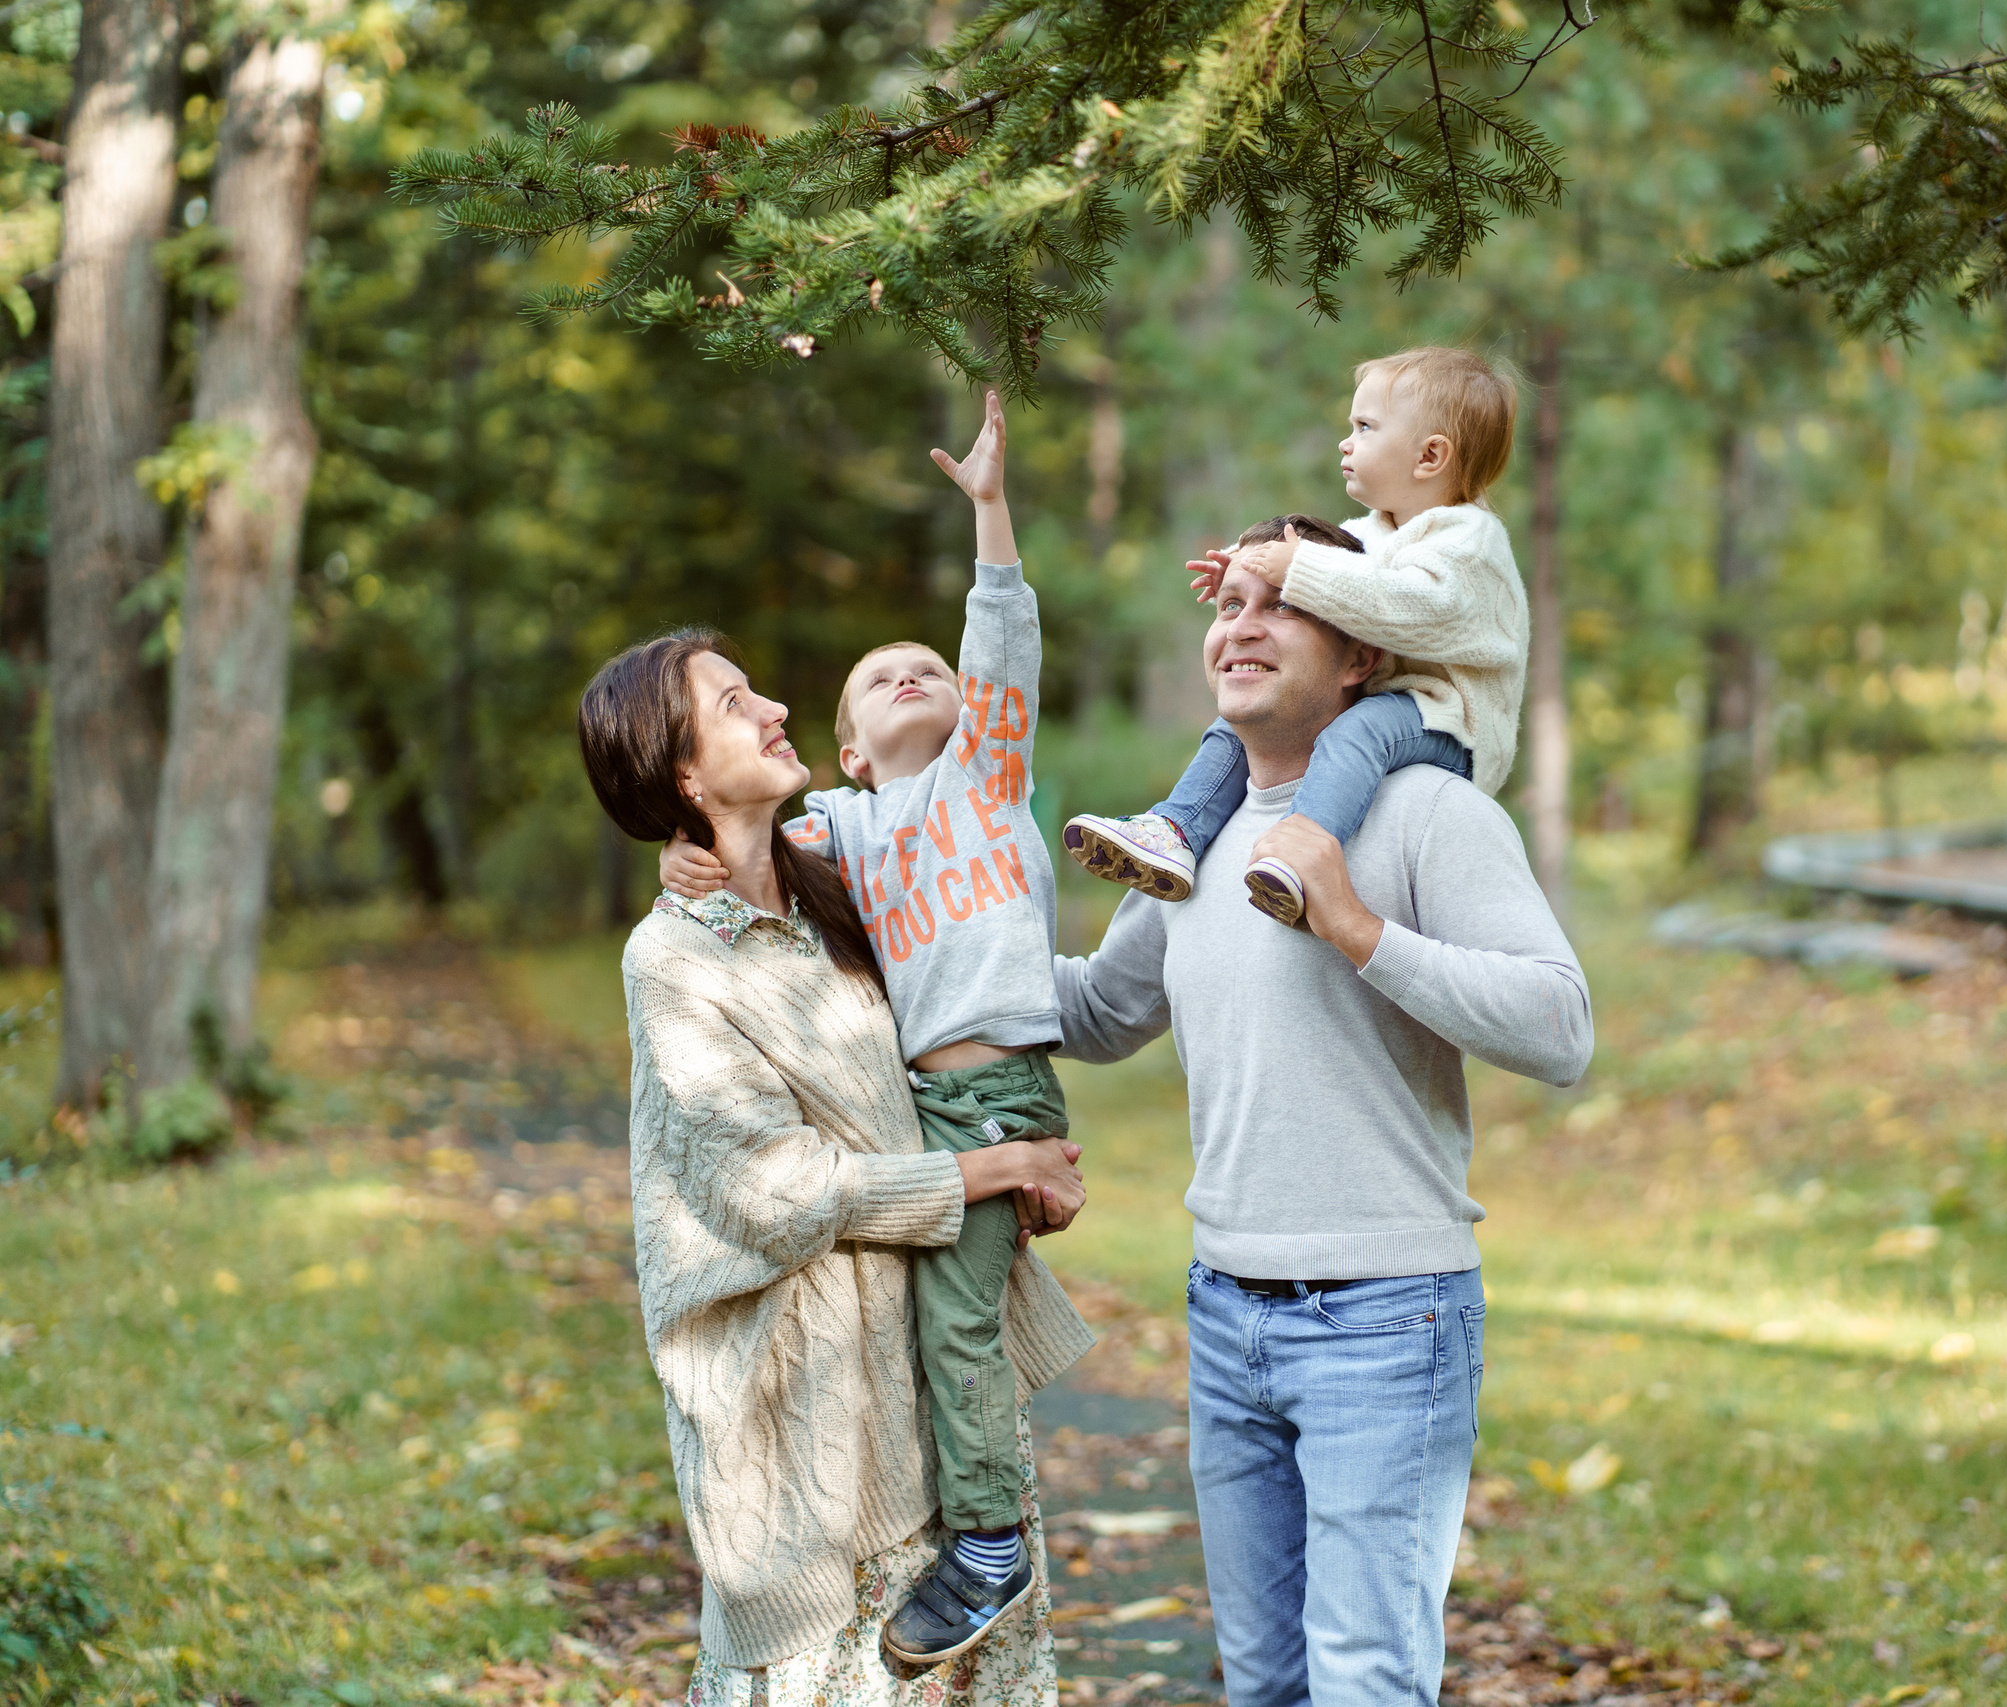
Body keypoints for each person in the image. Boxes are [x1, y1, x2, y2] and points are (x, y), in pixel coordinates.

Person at [1051, 558, 1594, 1707]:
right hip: (1224, 1309)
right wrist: (904, 945)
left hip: (1387, 1321)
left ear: (1360, 656)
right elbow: (1099, 1013)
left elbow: (1559, 1026)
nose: (1240, 627)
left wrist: (1353, 926)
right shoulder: (1185, 839)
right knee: (1264, 1685)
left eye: (1279, 604)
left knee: (1365, 1684)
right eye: (1227, 606)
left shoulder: (1429, 812)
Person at [578, 626, 1093, 1704]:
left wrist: (1010, 1164)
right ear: (680, 774)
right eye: (732, 704)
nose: (772, 708)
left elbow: (954, 1047)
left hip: (929, 1390)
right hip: (806, 1419)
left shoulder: (839, 893)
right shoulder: (673, 960)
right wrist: (985, 1178)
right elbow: (776, 1190)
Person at [658, 391, 1085, 1664]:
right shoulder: (839, 833)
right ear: (846, 746)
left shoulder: (984, 784)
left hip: (1001, 1094)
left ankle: (990, 1543)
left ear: (967, 715)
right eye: (879, 679)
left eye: (930, 672)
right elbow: (733, 856)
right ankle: (930, 1526)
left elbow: (1002, 644)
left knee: (954, 1332)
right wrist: (675, 863)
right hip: (919, 1116)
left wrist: (991, 516)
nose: (913, 677)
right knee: (915, 1335)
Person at [1062, 346, 1527, 929]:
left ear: (1430, 455)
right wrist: (1245, 567)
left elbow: (1413, 607)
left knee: (1360, 732)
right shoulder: (1376, 529)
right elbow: (1334, 565)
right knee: (1234, 724)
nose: (1345, 441)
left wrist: (1298, 569)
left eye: (1364, 427)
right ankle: (1176, 829)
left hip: (1456, 720)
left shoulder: (1471, 541)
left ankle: (1305, 849)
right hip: (1392, 698)